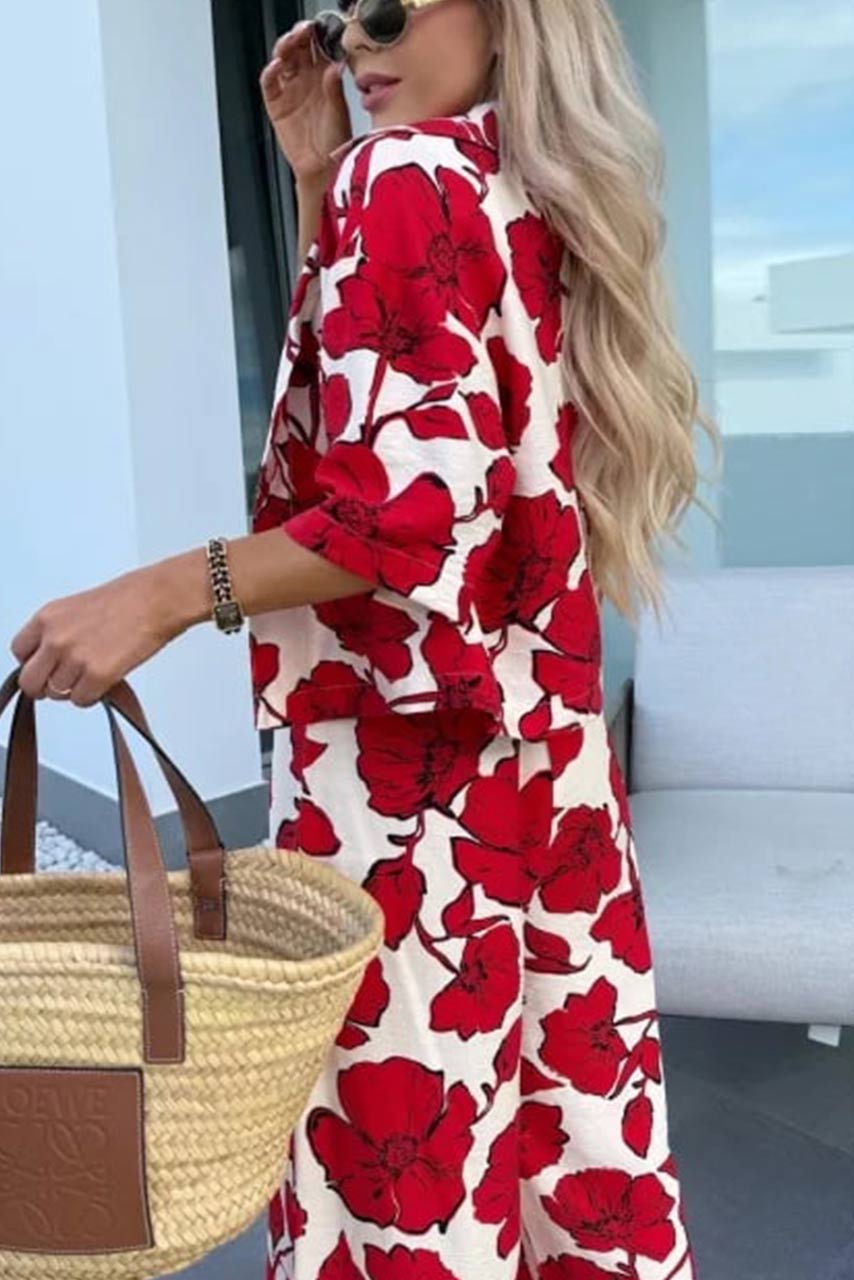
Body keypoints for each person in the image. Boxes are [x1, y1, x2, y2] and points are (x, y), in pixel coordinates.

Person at [9, 1, 719, 1277]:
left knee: (405, 1188)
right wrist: (319, 179)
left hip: (409, 782)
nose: (353, 46)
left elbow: (405, 511)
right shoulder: (523, 186)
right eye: (341, 17)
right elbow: (422, 431)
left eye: (391, 10)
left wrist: (157, 595)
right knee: (557, 1154)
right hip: (542, 776)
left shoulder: (407, 175)